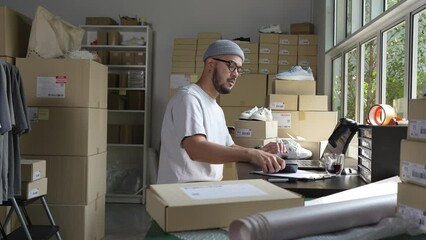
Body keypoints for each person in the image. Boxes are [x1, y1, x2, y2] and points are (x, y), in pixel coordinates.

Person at [157, 39, 285, 184]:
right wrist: (250, 154)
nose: (235, 74)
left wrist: (260, 152)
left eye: (239, 69)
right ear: (210, 64)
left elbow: (229, 147)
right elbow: (196, 148)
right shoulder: (189, 98)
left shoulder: (216, 108)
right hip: (182, 194)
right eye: (231, 66)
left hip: (206, 191)